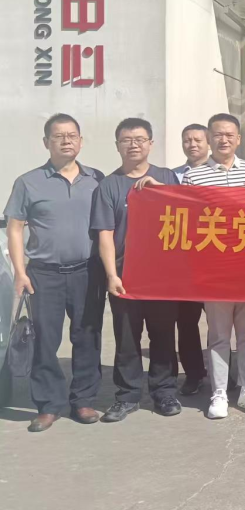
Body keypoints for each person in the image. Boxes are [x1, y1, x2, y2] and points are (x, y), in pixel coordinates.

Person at [4, 114, 105, 432]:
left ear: (81, 141)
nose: (66, 141)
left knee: (87, 336)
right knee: (45, 341)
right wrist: (20, 271)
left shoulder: (96, 179)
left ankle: (83, 400)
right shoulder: (28, 182)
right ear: (46, 142)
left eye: (72, 135)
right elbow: (15, 228)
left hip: (87, 272)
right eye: (59, 136)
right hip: (44, 275)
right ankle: (48, 405)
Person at [92, 118, 181, 423]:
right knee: (127, 339)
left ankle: (164, 392)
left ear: (151, 144)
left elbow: (187, 212)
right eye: (126, 140)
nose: (133, 145)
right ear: (117, 145)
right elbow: (105, 233)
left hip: (162, 275)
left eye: (140, 139)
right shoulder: (108, 185)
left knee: (163, 336)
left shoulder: (167, 176)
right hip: (125, 275)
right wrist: (111, 275)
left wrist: (162, 190)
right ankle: (127, 396)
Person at [182, 113, 245, 419]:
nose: (224, 139)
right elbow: (188, 220)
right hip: (214, 270)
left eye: (230, 134)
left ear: (238, 139)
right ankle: (218, 392)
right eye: (218, 134)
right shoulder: (194, 176)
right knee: (218, 336)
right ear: (209, 138)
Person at [172, 123, 210, 396]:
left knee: (222, 325)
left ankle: (224, 374)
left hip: (217, 262)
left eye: (198, 140)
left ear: (208, 143)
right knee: (186, 322)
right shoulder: (171, 176)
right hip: (185, 264)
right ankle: (194, 374)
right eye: (187, 140)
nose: (192, 144)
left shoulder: (219, 174)